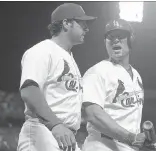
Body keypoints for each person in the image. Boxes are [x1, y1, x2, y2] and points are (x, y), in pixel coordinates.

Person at [17, 3, 96, 151]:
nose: (87, 28)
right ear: (66, 23)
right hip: (44, 130)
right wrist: (55, 124)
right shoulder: (42, 51)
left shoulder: (68, 57)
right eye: (82, 23)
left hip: (63, 134)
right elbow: (29, 90)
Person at [81, 19, 147, 151]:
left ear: (131, 40)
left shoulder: (136, 75)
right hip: (102, 145)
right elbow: (93, 114)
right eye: (110, 37)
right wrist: (129, 137)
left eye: (120, 36)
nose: (115, 40)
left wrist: (137, 140)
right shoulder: (97, 72)